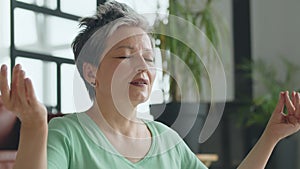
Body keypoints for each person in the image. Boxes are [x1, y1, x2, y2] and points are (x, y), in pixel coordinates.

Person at [0, 1, 299, 169]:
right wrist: (35, 127)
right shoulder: (67, 135)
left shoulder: (168, 141)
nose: (143, 66)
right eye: (126, 56)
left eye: (148, 57)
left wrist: (271, 136)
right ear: (92, 73)